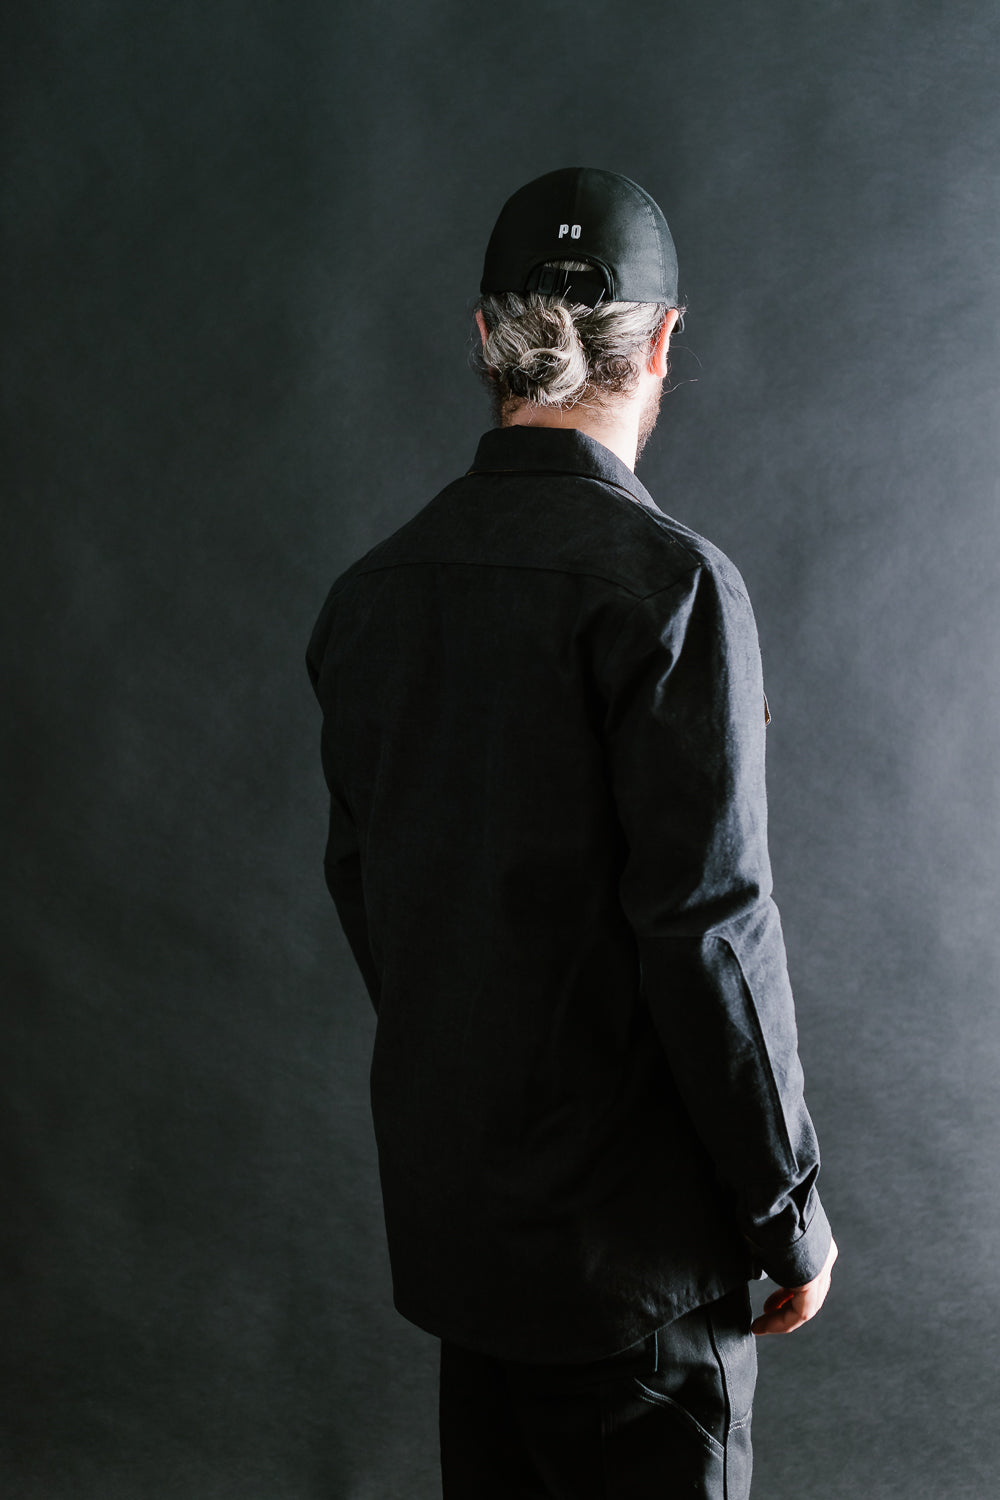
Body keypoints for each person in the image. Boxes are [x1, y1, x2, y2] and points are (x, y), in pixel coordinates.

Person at [305, 167, 837, 1500]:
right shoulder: (673, 590)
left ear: (485, 337)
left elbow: (376, 898)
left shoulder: (372, 597)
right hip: (638, 1280)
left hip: (468, 1250)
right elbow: (710, 928)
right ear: (661, 347)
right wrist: (788, 1215)